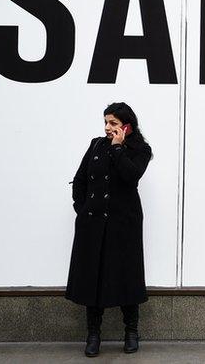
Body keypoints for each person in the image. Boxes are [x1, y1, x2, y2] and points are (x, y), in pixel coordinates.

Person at [65, 102, 153, 357]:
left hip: (124, 223)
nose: (107, 128)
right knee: (94, 276)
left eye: (113, 123)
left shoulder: (140, 149)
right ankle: (93, 335)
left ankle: (131, 332)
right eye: (106, 122)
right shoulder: (96, 145)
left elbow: (131, 176)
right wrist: (82, 209)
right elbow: (80, 179)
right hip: (93, 223)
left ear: (127, 125)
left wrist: (117, 148)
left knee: (127, 275)